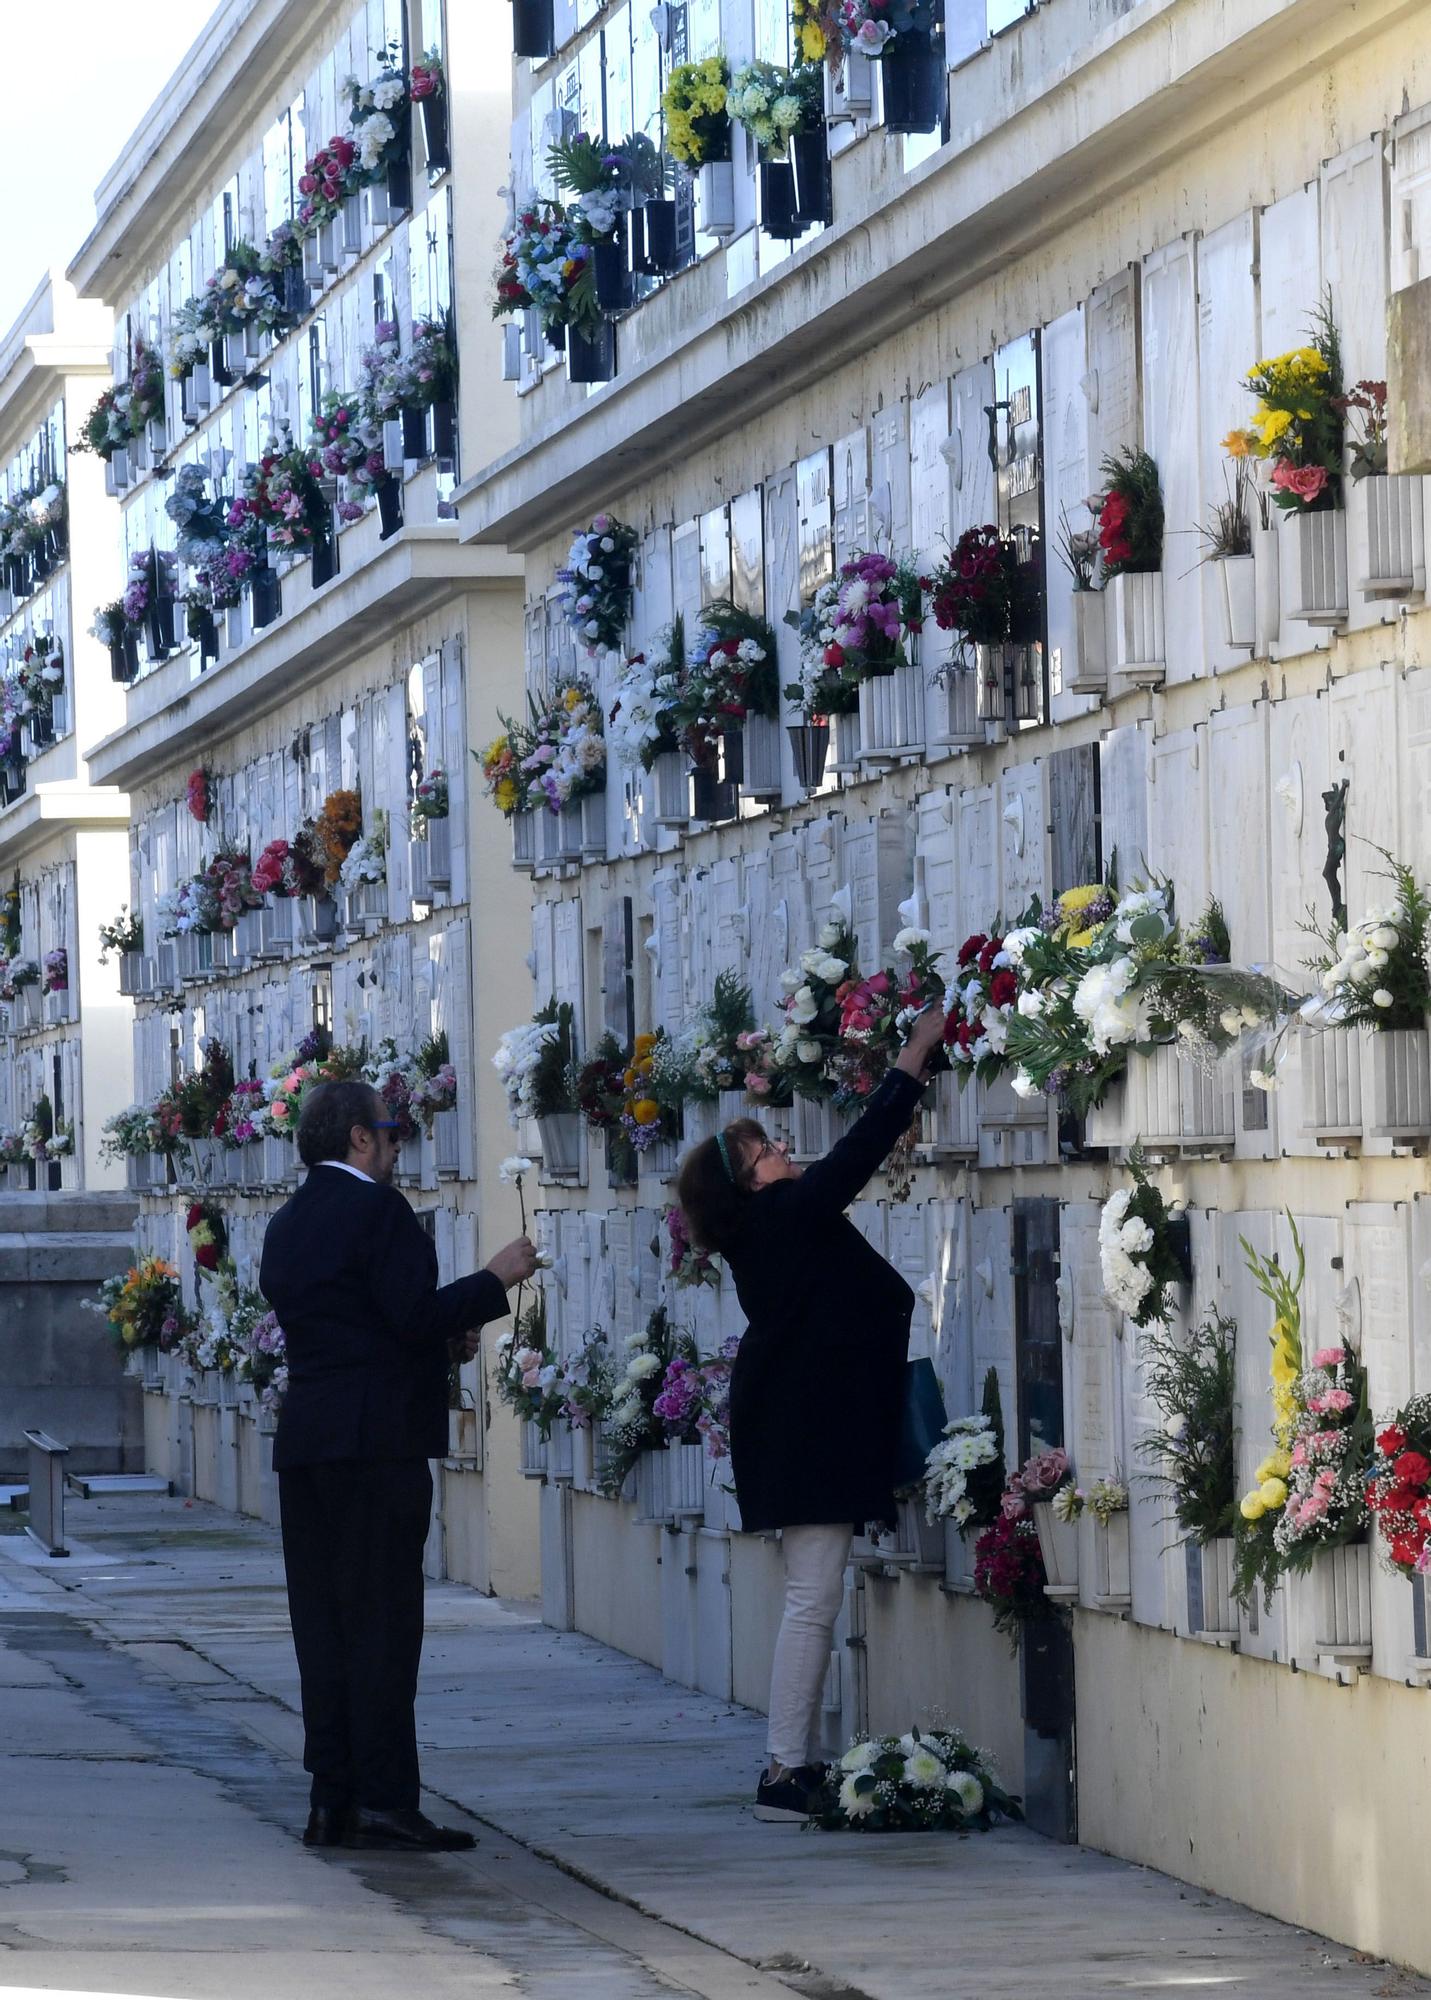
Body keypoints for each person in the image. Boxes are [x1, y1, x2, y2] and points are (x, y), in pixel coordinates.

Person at [675, 1003, 946, 1823]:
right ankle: (782, 1771)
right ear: (742, 1182)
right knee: (812, 1598)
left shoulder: (770, 1224)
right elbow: (854, 1158)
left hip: (803, 1426)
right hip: (805, 1434)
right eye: (762, 1150)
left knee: (813, 1596)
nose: (780, 1150)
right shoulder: (782, 1217)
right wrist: (910, 1056)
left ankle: (792, 1762)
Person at [259, 1077, 536, 1852]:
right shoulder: (377, 1211)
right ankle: (384, 1798)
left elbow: (350, 1326)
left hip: (309, 1443)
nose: (397, 1144)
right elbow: (410, 1315)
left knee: (323, 1625)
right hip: (376, 1447)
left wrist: (427, 1340)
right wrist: (495, 1280)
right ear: (357, 1138)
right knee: (381, 1623)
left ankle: (330, 1799)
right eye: (391, 1132)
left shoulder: (287, 1222)